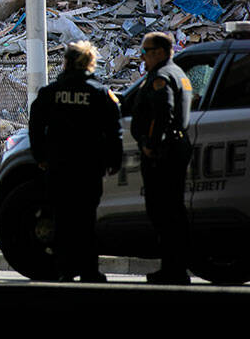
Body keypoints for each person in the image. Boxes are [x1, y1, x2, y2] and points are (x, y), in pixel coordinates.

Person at [28, 40, 123, 282]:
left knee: (62, 218)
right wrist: (114, 160)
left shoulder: (50, 93)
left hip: (58, 166)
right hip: (88, 167)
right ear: (90, 63)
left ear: (66, 62)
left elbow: (36, 127)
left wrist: (40, 156)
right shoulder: (99, 93)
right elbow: (114, 130)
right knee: (86, 218)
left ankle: (65, 269)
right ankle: (90, 269)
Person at [130, 30, 193, 284]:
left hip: (163, 154)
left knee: (163, 211)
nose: (142, 57)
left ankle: (173, 269)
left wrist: (150, 144)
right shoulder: (179, 74)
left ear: (159, 52)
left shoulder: (162, 77)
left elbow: (163, 112)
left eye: (145, 52)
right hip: (176, 148)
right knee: (173, 210)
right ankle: (175, 267)